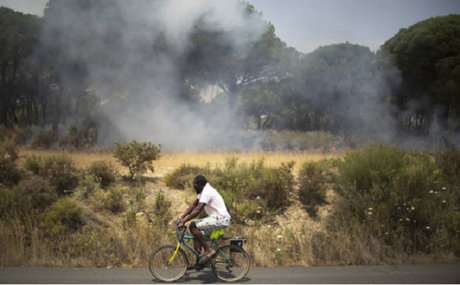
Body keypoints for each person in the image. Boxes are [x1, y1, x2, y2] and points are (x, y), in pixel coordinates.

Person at [178, 175, 231, 264]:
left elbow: (198, 209)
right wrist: (182, 216)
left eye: (195, 186)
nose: (194, 188)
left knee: (193, 226)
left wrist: (184, 221)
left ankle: (208, 250)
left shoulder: (207, 192)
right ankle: (199, 262)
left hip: (221, 219)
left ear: (200, 184)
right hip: (215, 218)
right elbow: (194, 205)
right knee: (197, 236)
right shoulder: (203, 192)